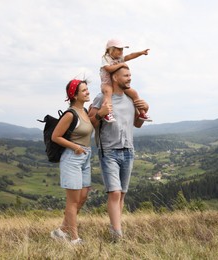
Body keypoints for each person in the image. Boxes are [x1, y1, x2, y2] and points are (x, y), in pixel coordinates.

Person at [89, 65, 149, 241]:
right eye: (126, 75)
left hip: (128, 150)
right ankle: (117, 234)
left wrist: (145, 109)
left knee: (121, 193)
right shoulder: (101, 98)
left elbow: (137, 124)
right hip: (108, 150)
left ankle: (115, 228)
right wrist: (101, 113)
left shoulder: (131, 99)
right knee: (114, 193)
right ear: (115, 78)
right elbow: (90, 122)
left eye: (130, 75)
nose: (130, 78)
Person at [50, 79, 94, 245]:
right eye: (84, 90)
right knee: (73, 201)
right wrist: (75, 147)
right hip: (72, 158)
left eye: (87, 89)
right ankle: (75, 239)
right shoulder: (70, 114)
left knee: (82, 198)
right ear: (74, 95)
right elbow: (56, 136)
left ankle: (60, 231)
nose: (87, 92)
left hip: (85, 157)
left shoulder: (84, 111)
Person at [99, 38, 151, 123]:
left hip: (118, 84)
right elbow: (108, 69)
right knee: (108, 92)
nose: (121, 51)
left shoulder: (119, 59)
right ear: (111, 50)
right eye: (119, 49)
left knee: (133, 93)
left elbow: (130, 56)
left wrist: (140, 53)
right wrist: (121, 64)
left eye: (122, 49)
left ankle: (142, 113)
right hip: (107, 83)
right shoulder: (106, 58)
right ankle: (108, 113)